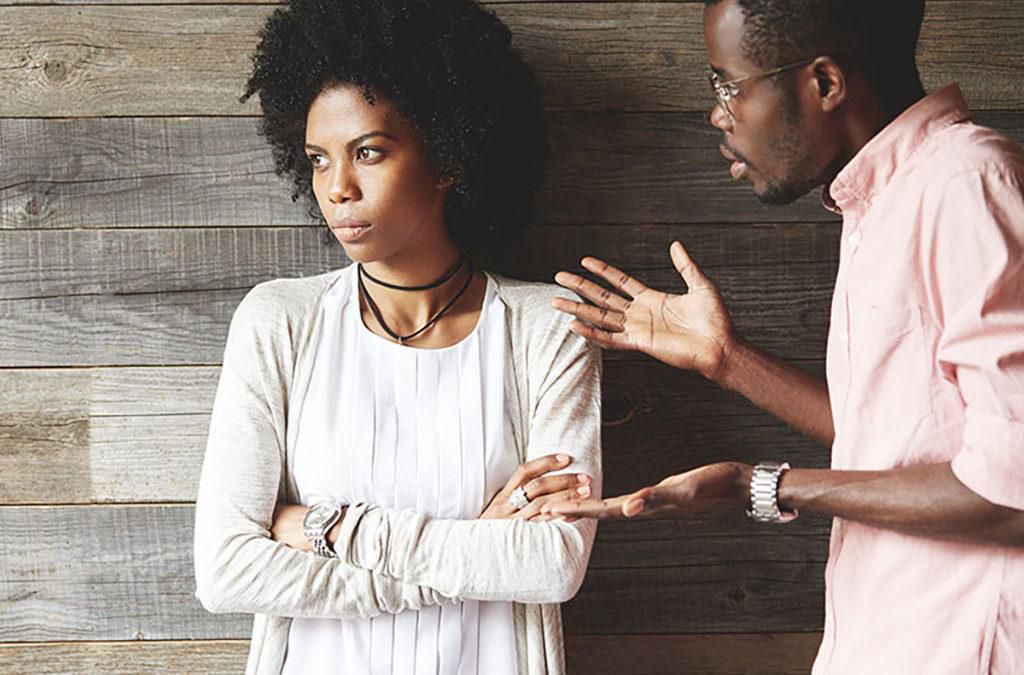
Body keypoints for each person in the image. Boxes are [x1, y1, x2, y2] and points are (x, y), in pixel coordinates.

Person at [544, 0, 1024, 672]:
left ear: (824, 83)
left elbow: (1011, 489)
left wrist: (762, 485)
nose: (719, 114)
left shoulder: (966, 184)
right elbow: (899, 439)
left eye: (728, 85)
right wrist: (727, 361)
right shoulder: (886, 200)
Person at [192, 1, 602, 673]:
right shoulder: (279, 323)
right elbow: (227, 569)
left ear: (447, 156)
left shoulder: (547, 328)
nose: (338, 189)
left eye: (369, 152)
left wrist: (328, 527)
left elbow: (552, 563)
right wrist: (473, 551)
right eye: (319, 160)